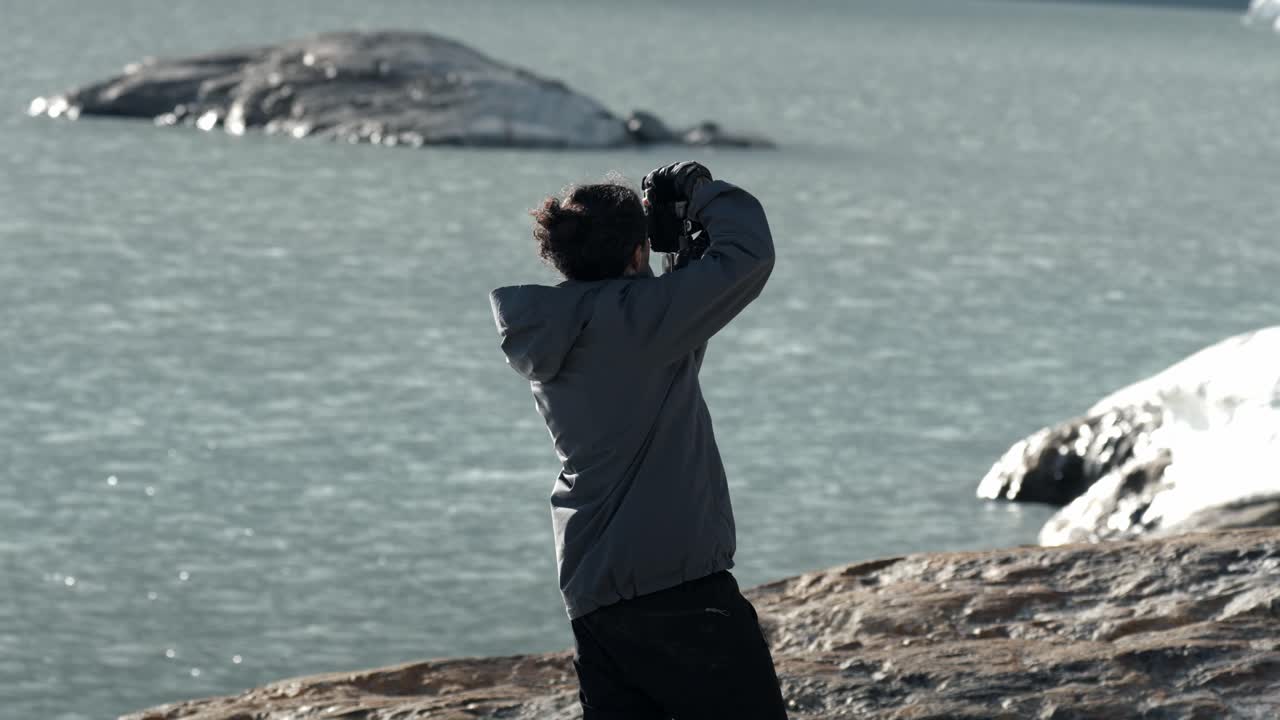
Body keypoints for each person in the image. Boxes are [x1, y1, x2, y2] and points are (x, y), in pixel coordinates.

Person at [488, 162, 786, 719]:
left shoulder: (560, 325)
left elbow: (668, 320)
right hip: (676, 587)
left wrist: (679, 256)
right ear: (635, 254)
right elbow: (750, 254)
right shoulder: (641, 322)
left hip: (594, 588)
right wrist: (703, 196)